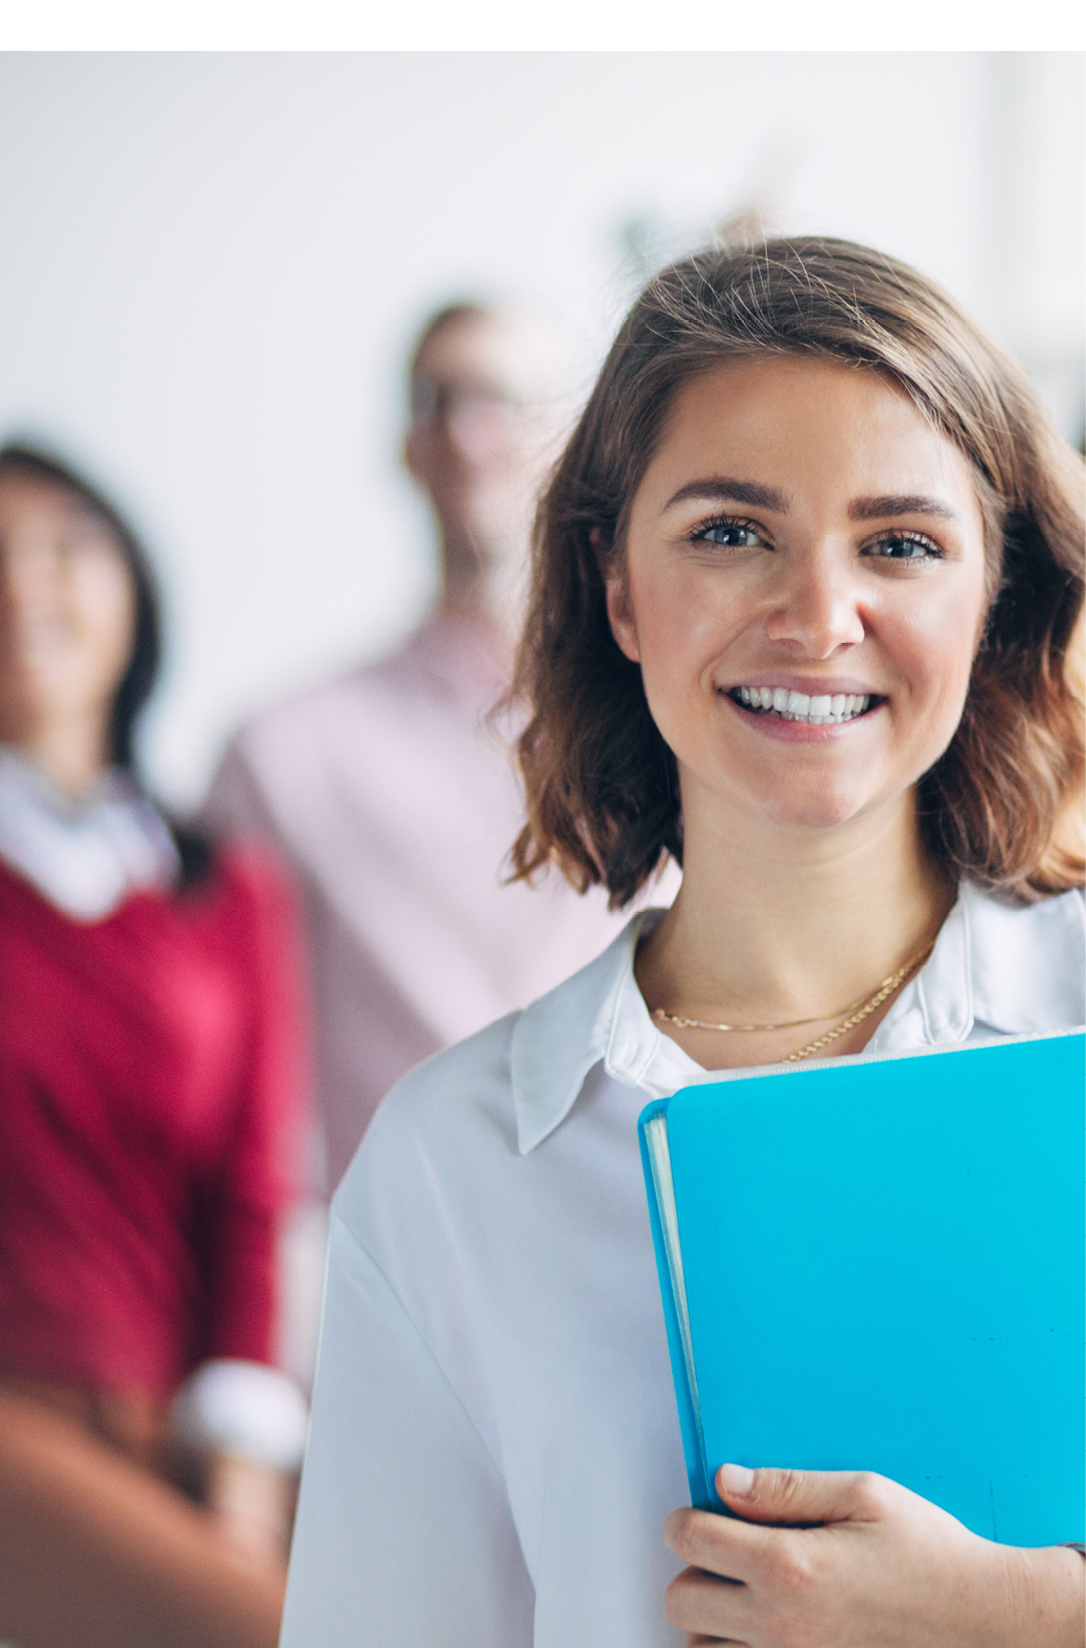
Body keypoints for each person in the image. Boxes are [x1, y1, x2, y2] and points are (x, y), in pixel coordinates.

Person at [280, 238, 1086, 1648]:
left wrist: (1020, 1613)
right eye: (728, 532)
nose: (813, 618)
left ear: (994, 590)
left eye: (897, 543)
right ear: (612, 585)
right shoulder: (451, 1168)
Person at [0, 444, 310, 1648]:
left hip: (153, 1424)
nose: (24, 585)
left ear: (133, 596)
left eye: (66, 546)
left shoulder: (227, 889)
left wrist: (240, 1455)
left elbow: (249, 1192)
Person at [205, 301, 673, 1202]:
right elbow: (228, 1079)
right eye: (438, 402)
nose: (468, 435)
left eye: (501, 401)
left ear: (567, 446)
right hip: (393, 1259)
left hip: (642, 1239)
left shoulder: (674, 726)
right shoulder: (281, 754)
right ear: (407, 449)